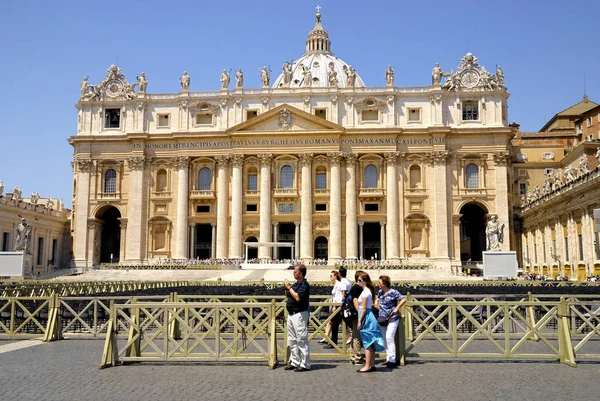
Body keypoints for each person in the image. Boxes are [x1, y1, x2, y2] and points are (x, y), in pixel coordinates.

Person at [356, 272, 385, 373]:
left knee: (367, 342)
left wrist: (359, 321)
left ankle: (367, 365)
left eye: (359, 280)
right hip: (369, 316)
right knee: (370, 342)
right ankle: (371, 365)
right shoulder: (368, 291)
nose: (357, 282)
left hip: (366, 317)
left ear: (365, 281)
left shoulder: (365, 292)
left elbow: (363, 308)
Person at [284, 264, 311, 372]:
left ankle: (305, 363)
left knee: (301, 339)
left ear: (301, 274)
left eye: (295, 272)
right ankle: (295, 361)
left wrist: (289, 288)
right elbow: (288, 295)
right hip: (291, 314)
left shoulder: (305, 285)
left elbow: (297, 297)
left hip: (299, 314)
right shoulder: (296, 284)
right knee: (292, 339)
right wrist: (288, 289)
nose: (293, 273)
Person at [375, 275, 406, 367]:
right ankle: (388, 358)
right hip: (382, 318)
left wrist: (397, 308)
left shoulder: (393, 292)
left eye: (380, 282)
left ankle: (392, 359)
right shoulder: (380, 292)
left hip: (392, 318)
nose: (378, 284)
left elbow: (403, 299)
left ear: (384, 283)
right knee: (385, 339)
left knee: (389, 337)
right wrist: (376, 303)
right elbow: (377, 300)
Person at [347, 270, 365, 365]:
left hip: (351, 314)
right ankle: (357, 357)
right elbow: (355, 301)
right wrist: (359, 314)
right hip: (355, 314)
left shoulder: (353, 287)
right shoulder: (357, 288)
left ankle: (352, 356)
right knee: (357, 336)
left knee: (354, 335)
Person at [323, 270, 344, 349]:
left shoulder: (338, 284)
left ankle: (333, 342)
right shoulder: (336, 284)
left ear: (336, 276)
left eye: (331, 276)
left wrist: (335, 306)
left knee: (334, 324)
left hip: (337, 306)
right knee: (333, 323)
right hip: (335, 305)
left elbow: (339, 296)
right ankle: (330, 340)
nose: (330, 277)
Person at [339, 266, 352, 344]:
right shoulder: (348, 281)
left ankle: (349, 336)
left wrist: (341, 301)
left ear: (339, 273)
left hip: (345, 303)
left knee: (344, 319)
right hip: (349, 302)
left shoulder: (343, 282)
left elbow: (343, 292)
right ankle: (350, 335)